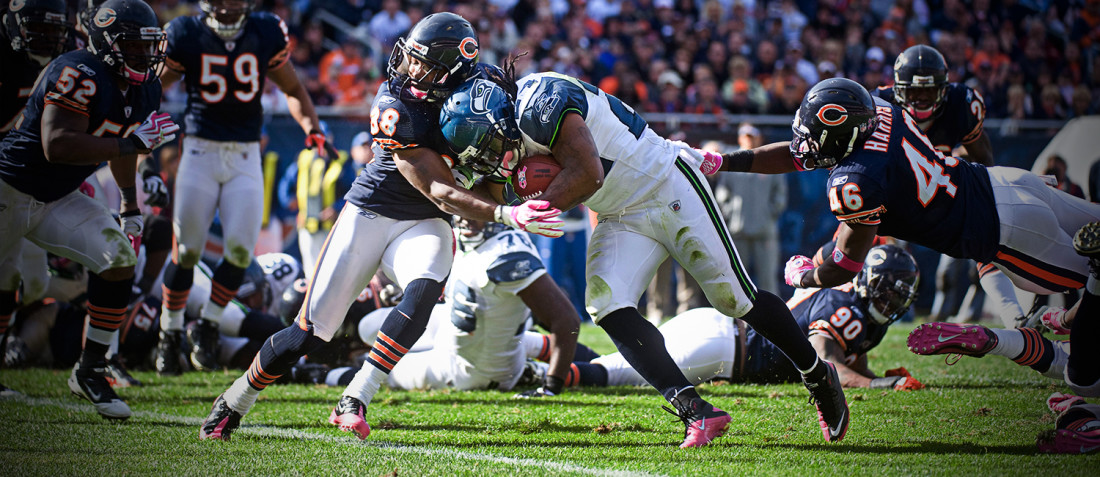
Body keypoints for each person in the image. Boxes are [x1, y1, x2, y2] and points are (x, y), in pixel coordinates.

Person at [199, 12, 564, 441]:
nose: (410, 68)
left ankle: (355, 396)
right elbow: (438, 189)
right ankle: (235, 400)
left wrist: (515, 177)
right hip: (373, 212)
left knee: (425, 289)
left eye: (423, 63)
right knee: (309, 334)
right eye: (412, 57)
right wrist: (507, 214)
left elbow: (496, 158)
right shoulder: (397, 103)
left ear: (454, 71)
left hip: (424, 223)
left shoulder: (483, 90)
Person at [441, 71, 850, 447]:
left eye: (492, 146)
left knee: (735, 299)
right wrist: (486, 207)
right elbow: (495, 192)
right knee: (606, 303)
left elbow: (587, 173)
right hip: (621, 213)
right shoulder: (504, 130)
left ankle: (817, 374)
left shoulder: (541, 103)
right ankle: (695, 411)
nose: (494, 158)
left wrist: (540, 205)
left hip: (664, 184)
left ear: (501, 121)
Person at [0, 0, 178, 419]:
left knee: (118, 256)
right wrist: (133, 144)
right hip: (10, 188)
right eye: (133, 46)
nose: (144, 56)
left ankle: (91, 369)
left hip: (57, 196)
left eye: (148, 46)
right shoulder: (77, 71)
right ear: (106, 43)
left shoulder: (145, 86)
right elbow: (57, 144)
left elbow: (124, 143)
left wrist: (129, 201)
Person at [156, 0, 330, 374]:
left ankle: (208, 324)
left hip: (246, 153)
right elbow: (151, 87)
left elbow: (294, 87)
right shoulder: (186, 32)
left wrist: (312, 128)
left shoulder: (265, 30)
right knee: (186, 249)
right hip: (200, 149)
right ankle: (169, 332)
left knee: (238, 250)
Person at [584, 245, 924, 391]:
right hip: (723, 349)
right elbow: (825, 360)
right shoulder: (845, 305)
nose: (892, 299)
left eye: (899, 293)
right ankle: (540, 369)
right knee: (611, 375)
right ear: (869, 282)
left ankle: (542, 349)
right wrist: (880, 384)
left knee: (613, 365)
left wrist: (877, 378)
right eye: (888, 290)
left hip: (719, 336)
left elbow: (852, 358)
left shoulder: (861, 314)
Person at [874, 44, 1020, 328]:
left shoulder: (960, 103)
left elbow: (984, 160)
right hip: (899, 197)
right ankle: (875, 311)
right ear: (899, 89)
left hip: (943, 197)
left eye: (929, 91)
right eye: (915, 91)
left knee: (984, 248)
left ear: (944, 87)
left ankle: (1011, 315)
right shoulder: (881, 106)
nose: (922, 98)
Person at [347, 216, 580, 394]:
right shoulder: (462, 236)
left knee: (382, 369)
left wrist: (552, 385)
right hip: (466, 331)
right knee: (369, 327)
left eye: (477, 203)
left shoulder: (507, 252)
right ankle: (538, 358)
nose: (464, 214)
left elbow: (566, 320)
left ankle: (539, 372)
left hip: (472, 367)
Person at [0, 0, 69, 395]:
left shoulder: (64, 64)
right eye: (36, 28)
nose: (46, 37)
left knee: (33, 281)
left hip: (27, 181)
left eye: (52, 29)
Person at [710, 125, 786, 293]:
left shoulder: (769, 161)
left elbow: (779, 196)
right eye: (745, 136)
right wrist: (732, 214)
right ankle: (737, 319)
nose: (749, 139)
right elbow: (722, 194)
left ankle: (771, 318)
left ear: (759, 138)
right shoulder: (732, 162)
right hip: (738, 231)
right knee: (737, 280)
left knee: (768, 280)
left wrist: (768, 215)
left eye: (752, 136)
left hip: (764, 232)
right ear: (739, 138)